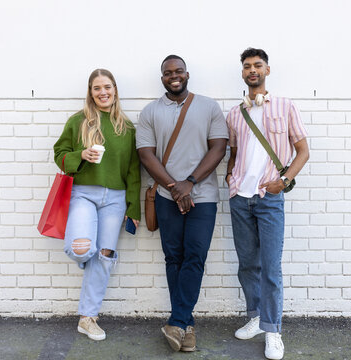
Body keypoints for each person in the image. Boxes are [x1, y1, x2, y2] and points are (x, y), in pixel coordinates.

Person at [136, 55, 228, 352]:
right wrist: (175, 188)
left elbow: (219, 148)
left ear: (187, 74)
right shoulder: (150, 111)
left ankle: (177, 320)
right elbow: (146, 155)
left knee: (195, 255)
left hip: (204, 198)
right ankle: (185, 327)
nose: (173, 76)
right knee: (173, 257)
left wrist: (190, 182)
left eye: (178, 71)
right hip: (166, 197)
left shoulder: (208, 106)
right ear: (162, 77)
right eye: (167, 73)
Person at [226, 48, 309, 360]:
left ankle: (273, 331)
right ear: (243, 72)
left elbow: (302, 151)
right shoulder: (235, 113)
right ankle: (257, 318)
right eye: (247, 66)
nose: (252, 70)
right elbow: (233, 151)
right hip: (240, 199)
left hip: (269, 198)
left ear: (267, 70)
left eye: (257, 65)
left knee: (271, 267)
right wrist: (230, 176)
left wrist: (283, 181)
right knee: (248, 264)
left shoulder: (285, 107)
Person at [53, 68, 140, 341]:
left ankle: (87, 318)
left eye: (108, 87)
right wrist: (81, 154)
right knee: (80, 248)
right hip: (83, 193)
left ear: (115, 90)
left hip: (114, 199)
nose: (103, 92)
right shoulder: (77, 121)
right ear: (90, 93)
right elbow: (59, 154)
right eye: (97, 88)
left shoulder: (126, 128)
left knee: (104, 256)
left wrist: (133, 209)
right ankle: (89, 263)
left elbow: (133, 171)